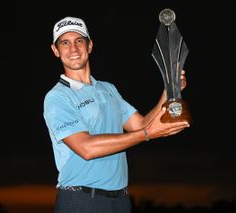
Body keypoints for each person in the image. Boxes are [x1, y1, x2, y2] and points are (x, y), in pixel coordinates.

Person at [43, 16, 190, 213]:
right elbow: (86, 148)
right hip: (80, 200)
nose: (73, 49)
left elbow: (141, 124)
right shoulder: (57, 97)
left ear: (90, 46)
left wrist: (168, 91)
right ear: (55, 50)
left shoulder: (108, 89)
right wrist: (146, 135)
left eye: (79, 41)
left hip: (120, 200)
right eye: (64, 43)